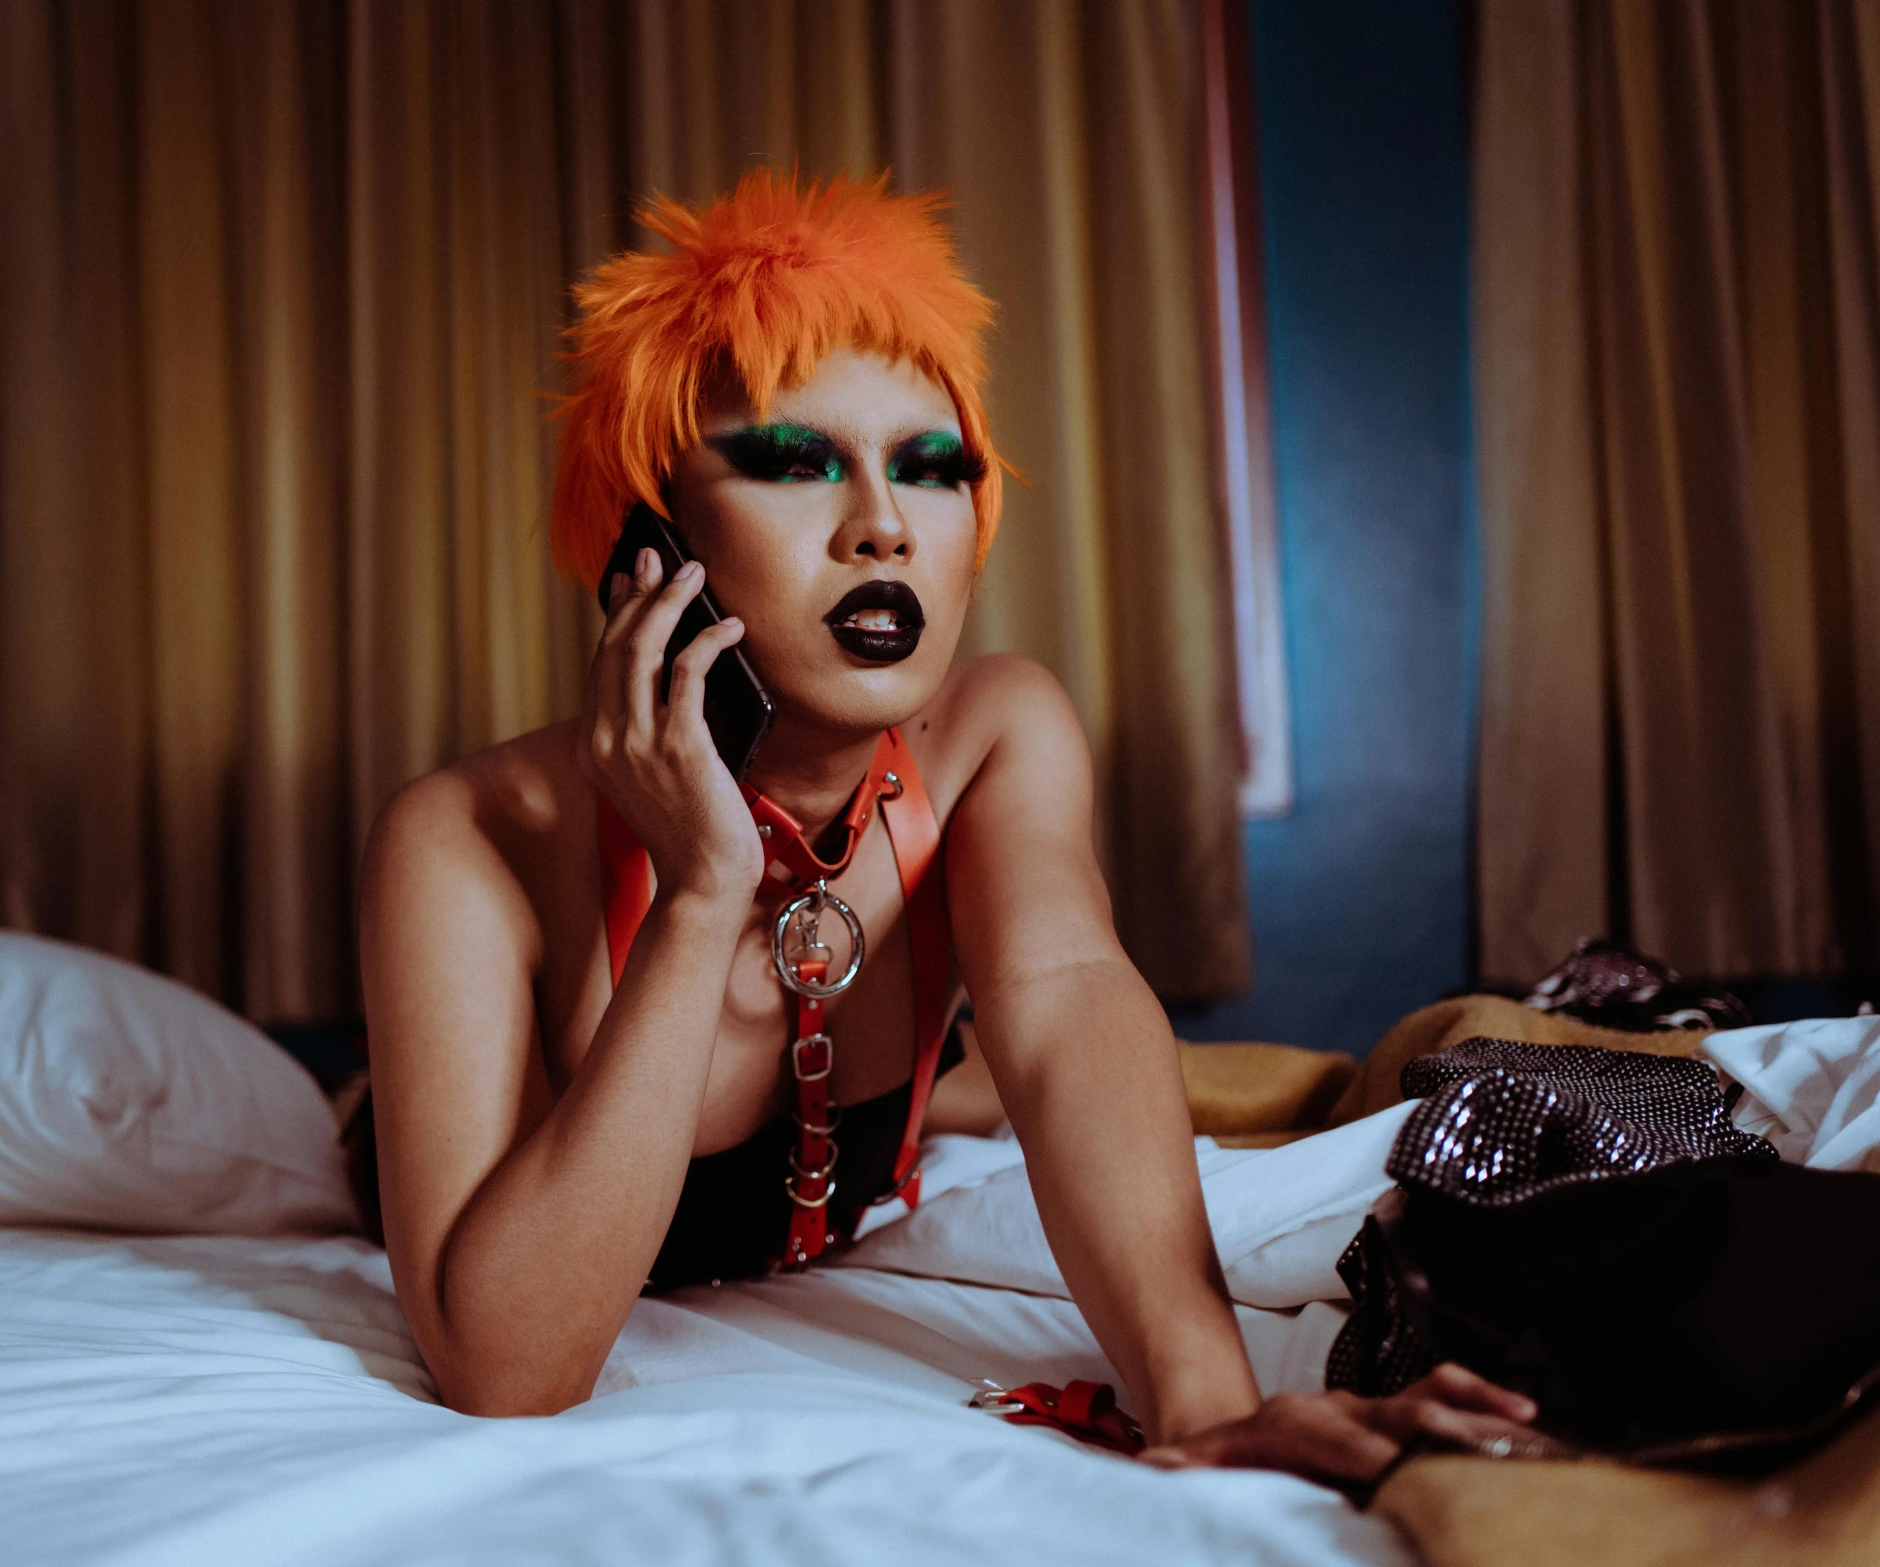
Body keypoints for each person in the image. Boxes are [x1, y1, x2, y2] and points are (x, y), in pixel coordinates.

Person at [354, 170, 1535, 1484]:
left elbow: (1066, 994)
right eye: (795, 463)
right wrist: (699, 892)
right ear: (646, 551)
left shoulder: (995, 732)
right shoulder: (465, 839)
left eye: (929, 470)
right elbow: (507, 1368)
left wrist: (1203, 1405)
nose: (880, 527)